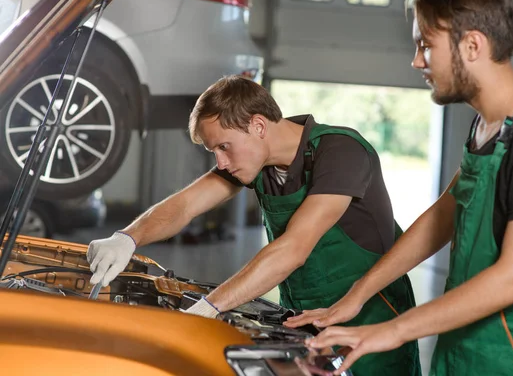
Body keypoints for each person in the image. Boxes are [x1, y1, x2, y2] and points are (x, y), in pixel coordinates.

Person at [283, 0, 513, 375]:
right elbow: (443, 216)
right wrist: (358, 295)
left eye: (426, 45)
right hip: (464, 341)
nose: (416, 61)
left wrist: (390, 331)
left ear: (473, 45)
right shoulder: (487, 127)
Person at [86, 75, 421, 375]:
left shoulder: (341, 152)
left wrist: (208, 307)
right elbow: (185, 205)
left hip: (372, 319)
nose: (219, 162)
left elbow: (293, 249)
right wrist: (127, 238)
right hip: (304, 320)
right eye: (213, 150)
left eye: (223, 146)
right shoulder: (255, 161)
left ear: (258, 126)